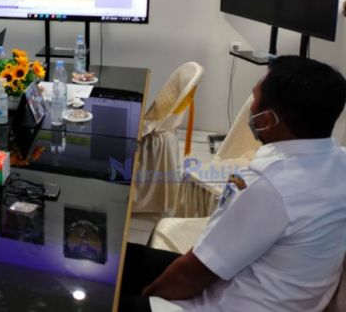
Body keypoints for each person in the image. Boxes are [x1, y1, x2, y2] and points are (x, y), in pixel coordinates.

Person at [120, 55, 346, 312]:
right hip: (275, 287)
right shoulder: (340, 161)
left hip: (234, 302)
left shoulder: (267, 184)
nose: (251, 108)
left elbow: (190, 275)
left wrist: (146, 298)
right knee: (125, 257)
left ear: (267, 119)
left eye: (255, 98)